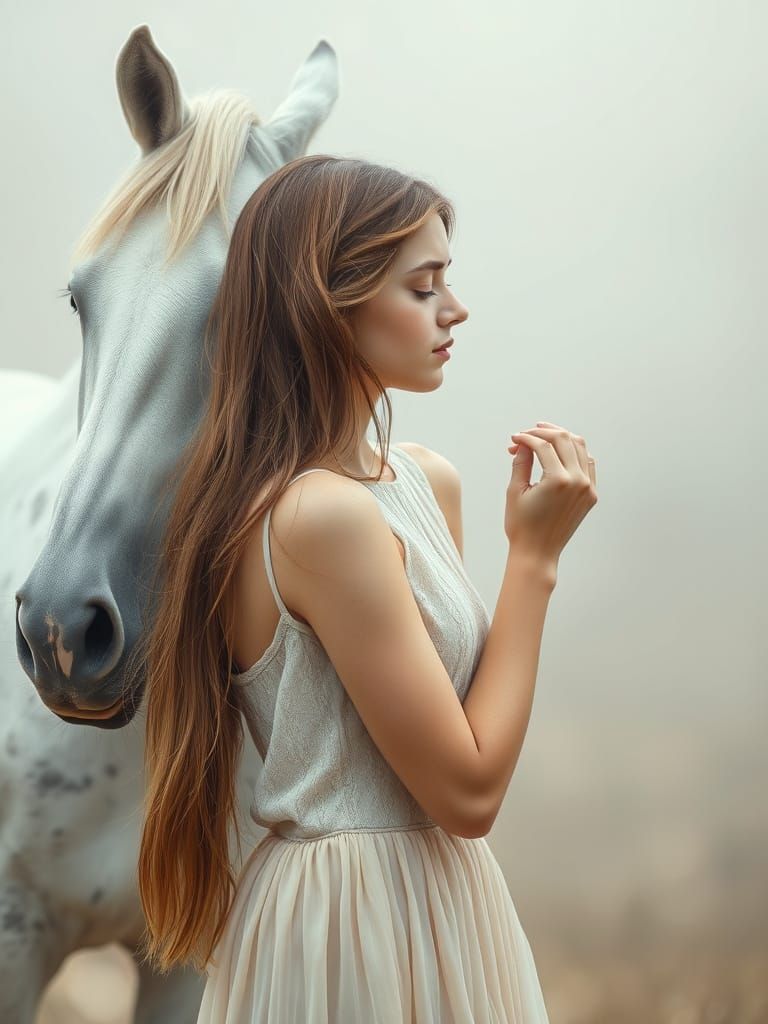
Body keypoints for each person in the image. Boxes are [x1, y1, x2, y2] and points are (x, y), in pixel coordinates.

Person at [135, 153, 597, 1022]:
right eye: (422, 289)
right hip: (354, 920)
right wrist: (533, 563)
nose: (453, 311)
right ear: (328, 304)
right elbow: (466, 792)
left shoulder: (421, 482)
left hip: (439, 900)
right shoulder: (319, 520)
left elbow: (456, 724)